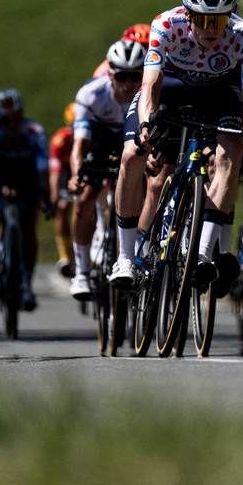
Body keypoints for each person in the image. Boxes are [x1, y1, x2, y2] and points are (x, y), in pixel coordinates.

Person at [110, 0, 243, 294]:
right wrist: (145, 127)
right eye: (202, 19)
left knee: (231, 154)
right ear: (187, 13)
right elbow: (151, 84)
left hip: (219, 93)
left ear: (231, 14)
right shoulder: (166, 24)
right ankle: (124, 257)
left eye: (219, 20)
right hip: (172, 86)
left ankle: (200, 253)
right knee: (131, 154)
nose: (211, 29)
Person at [69, 39, 145, 300]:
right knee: (84, 200)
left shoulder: (146, 92)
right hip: (101, 135)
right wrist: (77, 175)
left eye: (134, 77)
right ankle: (81, 272)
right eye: (122, 76)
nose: (127, 84)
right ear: (110, 73)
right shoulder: (90, 94)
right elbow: (79, 143)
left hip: (131, 133)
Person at [0, 88, 52, 312]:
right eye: (6, 121)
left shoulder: (35, 132)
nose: (12, 125)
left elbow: (43, 172)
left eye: (16, 118)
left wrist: (46, 199)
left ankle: (27, 284)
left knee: (28, 225)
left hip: (27, 176)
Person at [49, 103, 76, 278]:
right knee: (63, 207)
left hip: (84, 167)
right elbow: (55, 172)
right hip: (66, 171)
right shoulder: (60, 140)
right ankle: (65, 256)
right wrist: (54, 197)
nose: (73, 131)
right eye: (70, 127)